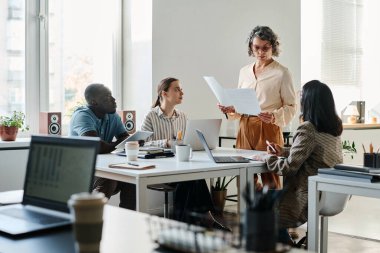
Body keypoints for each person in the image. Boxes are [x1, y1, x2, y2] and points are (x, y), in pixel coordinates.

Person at [253, 80, 343, 244]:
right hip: (330, 195)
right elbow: (313, 153)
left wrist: (267, 158)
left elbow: (289, 168)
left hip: (306, 196)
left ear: (308, 102)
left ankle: (286, 245)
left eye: (301, 97)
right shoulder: (334, 128)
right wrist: (282, 151)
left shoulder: (308, 128)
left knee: (261, 203)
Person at [141, 77, 229, 231]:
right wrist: (165, 142)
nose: (182, 92)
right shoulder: (151, 117)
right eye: (177, 89)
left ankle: (187, 224)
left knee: (192, 176)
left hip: (179, 165)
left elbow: (187, 140)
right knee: (189, 178)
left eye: (181, 89)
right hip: (158, 169)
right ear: (164, 93)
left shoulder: (182, 117)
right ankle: (201, 220)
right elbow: (142, 145)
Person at [218, 26, 296, 190]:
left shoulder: (282, 73)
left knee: (270, 176)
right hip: (244, 127)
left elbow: (291, 106)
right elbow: (240, 104)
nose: (261, 52)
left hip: (268, 127)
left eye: (266, 47)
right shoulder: (244, 72)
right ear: (251, 48)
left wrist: (274, 116)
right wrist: (230, 109)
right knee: (244, 176)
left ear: (273, 47)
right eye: (257, 48)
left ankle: (273, 214)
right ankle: (250, 214)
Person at [69, 83, 136, 210]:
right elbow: (97, 146)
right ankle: (89, 215)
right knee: (109, 179)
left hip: (101, 166)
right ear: (94, 102)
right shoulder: (82, 116)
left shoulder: (112, 115)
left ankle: (127, 219)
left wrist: (125, 142)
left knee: (132, 178)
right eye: (107, 97)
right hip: (79, 171)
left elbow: (125, 138)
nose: (114, 100)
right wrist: (121, 143)